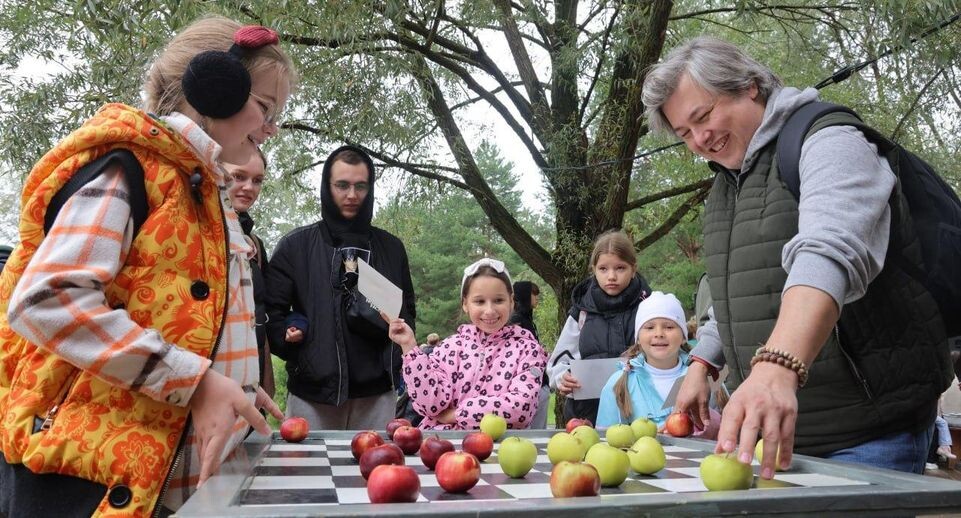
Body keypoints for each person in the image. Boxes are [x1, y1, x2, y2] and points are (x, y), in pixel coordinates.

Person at [0, 16, 296, 517]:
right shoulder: (132, 169)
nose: (271, 128)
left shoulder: (202, 189)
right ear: (214, 89)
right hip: (100, 482)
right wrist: (194, 381)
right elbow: (47, 300)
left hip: (164, 481)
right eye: (266, 108)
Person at [642, 36, 952, 478]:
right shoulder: (726, 187)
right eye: (684, 134)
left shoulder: (828, 140)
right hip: (776, 431)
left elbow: (829, 252)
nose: (700, 139)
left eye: (704, 116)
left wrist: (776, 366)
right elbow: (737, 293)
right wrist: (702, 363)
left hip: (866, 434)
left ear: (749, 86)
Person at [265, 145, 416, 431]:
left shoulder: (391, 248)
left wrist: (396, 360)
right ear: (327, 186)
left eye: (361, 186)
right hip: (311, 396)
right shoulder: (295, 246)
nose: (352, 195)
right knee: (309, 463)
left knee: (378, 461)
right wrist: (292, 339)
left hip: (377, 396)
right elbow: (272, 312)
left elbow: (407, 311)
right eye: (342, 185)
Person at [387, 258, 548, 430]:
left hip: (499, 445)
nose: (489, 310)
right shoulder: (449, 347)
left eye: (498, 300)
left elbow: (521, 409)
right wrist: (409, 346)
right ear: (465, 304)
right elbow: (430, 404)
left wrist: (456, 414)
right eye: (479, 301)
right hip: (441, 442)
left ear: (511, 301)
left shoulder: (527, 350)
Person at [547, 229, 652, 425]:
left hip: (640, 413)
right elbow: (559, 361)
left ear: (633, 269)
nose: (611, 276)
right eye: (603, 269)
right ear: (593, 269)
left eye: (620, 268)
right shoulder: (581, 311)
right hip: (586, 417)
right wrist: (563, 378)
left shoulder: (649, 308)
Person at [596, 292, 719, 437]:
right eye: (649, 327)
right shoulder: (619, 383)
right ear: (638, 338)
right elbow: (606, 439)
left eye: (669, 327)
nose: (659, 333)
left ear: (684, 336)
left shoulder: (702, 375)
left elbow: (719, 432)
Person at [224, 148, 274, 398]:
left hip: (252, 376)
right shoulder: (197, 232)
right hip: (214, 378)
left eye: (257, 180)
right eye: (239, 177)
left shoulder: (256, 244)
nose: (249, 187)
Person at [510, 281, 551, 428]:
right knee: (532, 431)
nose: (537, 298)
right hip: (529, 384)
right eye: (534, 294)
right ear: (525, 296)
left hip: (539, 381)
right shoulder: (516, 321)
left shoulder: (527, 319)